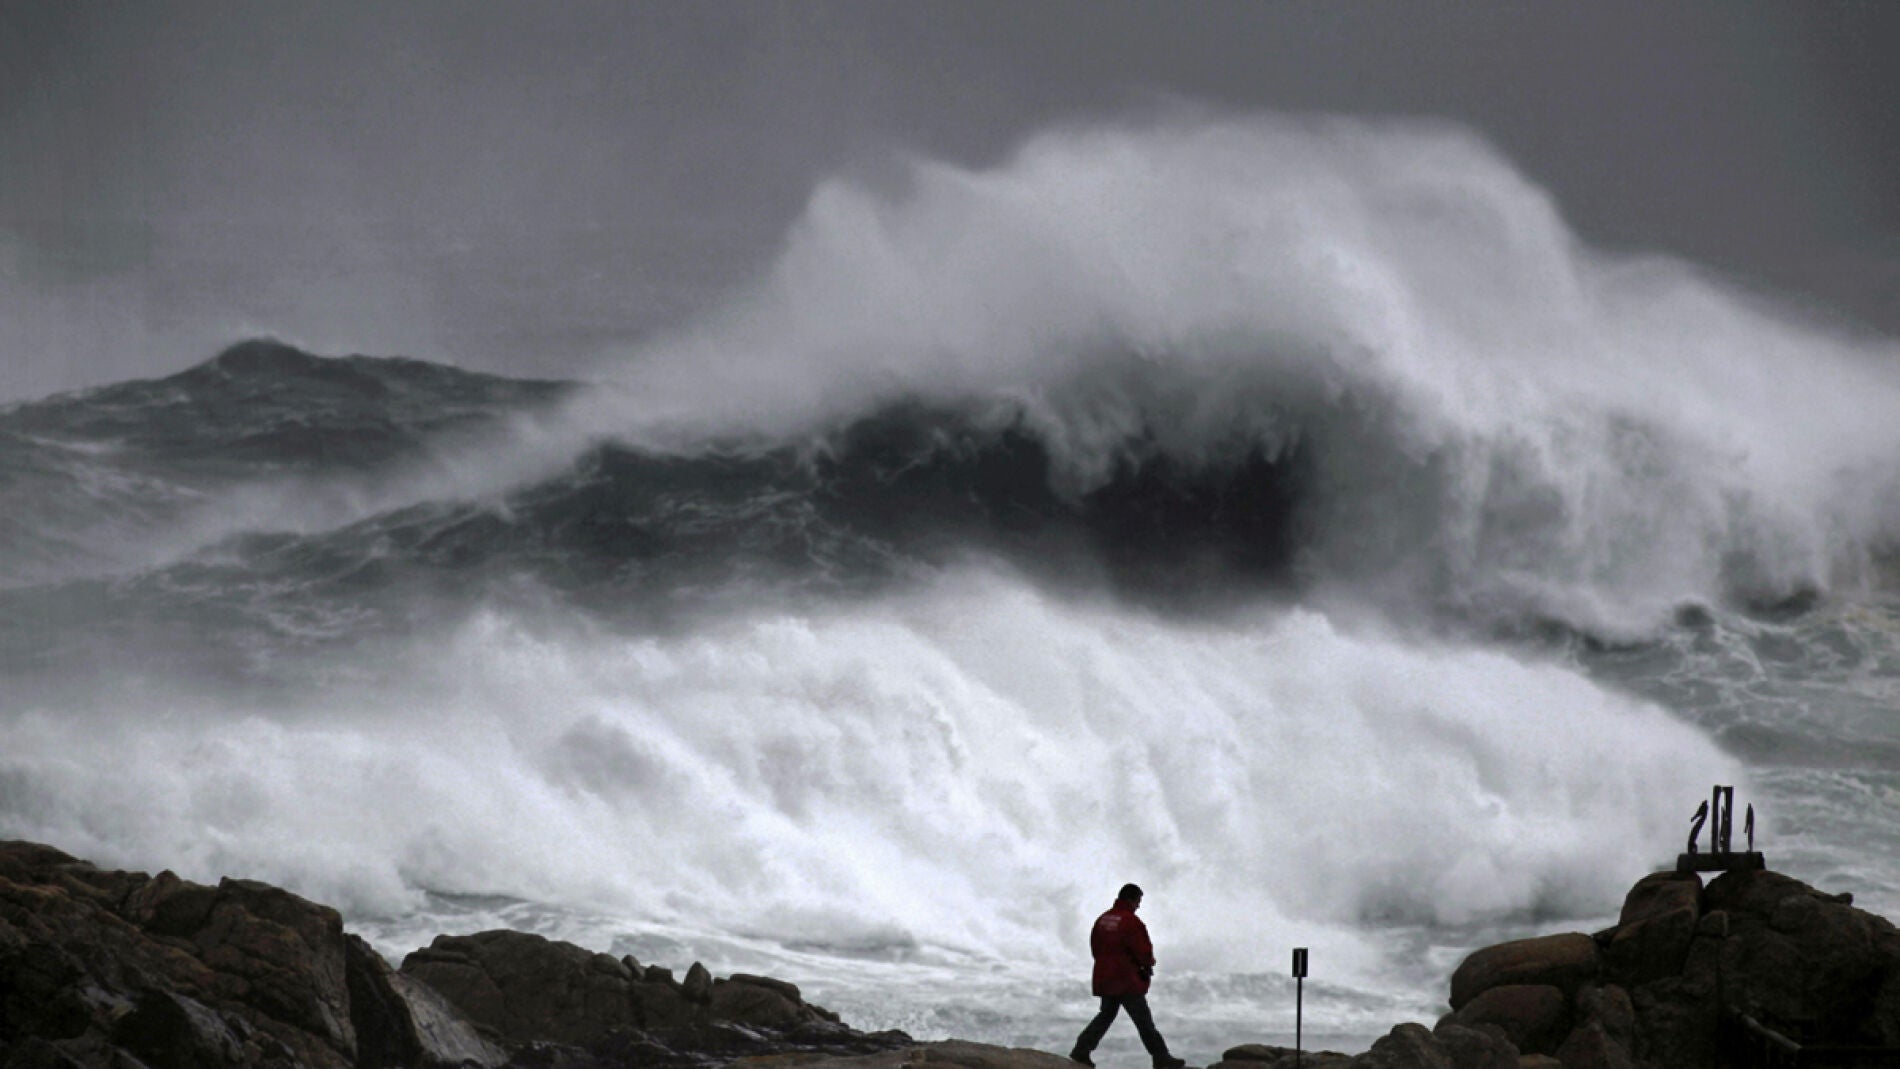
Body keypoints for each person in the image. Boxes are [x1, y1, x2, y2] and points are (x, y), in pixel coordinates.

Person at [1070, 883, 1186, 1069]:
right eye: (1138, 901)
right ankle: (1161, 1058)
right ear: (1131, 900)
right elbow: (1143, 951)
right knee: (1143, 1021)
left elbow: (1095, 947)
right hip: (1125, 981)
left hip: (1106, 978)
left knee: (1105, 1015)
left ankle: (1081, 1050)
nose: (1139, 906)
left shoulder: (1103, 919)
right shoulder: (1131, 922)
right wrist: (1148, 965)